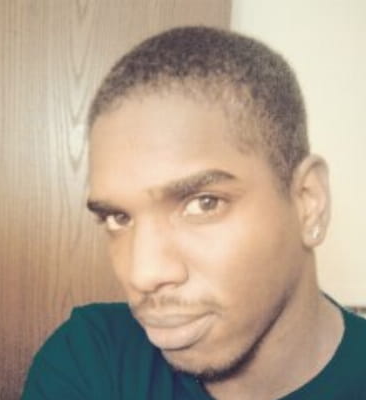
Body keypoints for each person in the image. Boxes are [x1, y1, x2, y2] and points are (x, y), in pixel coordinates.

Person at [21, 26, 366, 400]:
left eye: (203, 203)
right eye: (118, 218)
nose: (143, 275)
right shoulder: (90, 358)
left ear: (308, 202)